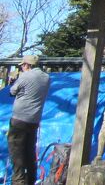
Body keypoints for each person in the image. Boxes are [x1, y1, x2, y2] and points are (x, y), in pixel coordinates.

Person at [7, 55, 50, 185]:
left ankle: (19, 181)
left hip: (19, 119)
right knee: (30, 152)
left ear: (27, 65)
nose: (21, 67)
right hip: (34, 120)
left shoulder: (25, 76)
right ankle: (31, 180)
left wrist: (14, 80)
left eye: (22, 65)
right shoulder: (46, 78)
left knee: (17, 152)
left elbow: (12, 92)